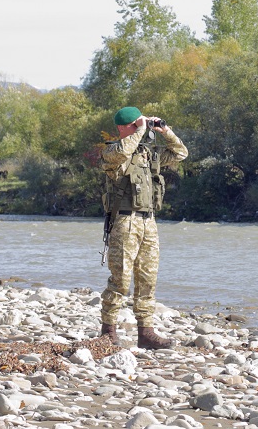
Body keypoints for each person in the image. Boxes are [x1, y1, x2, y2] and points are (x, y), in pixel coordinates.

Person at [99, 106, 188, 349]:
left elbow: (181, 153)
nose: (142, 128)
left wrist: (165, 131)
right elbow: (123, 150)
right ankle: (108, 332)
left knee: (148, 278)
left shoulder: (148, 154)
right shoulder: (113, 152)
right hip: (125, 221)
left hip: (148, 221)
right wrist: (139, 130)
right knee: (120, 280)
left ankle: (145, 333)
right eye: (135, 124)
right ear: (123, 128)